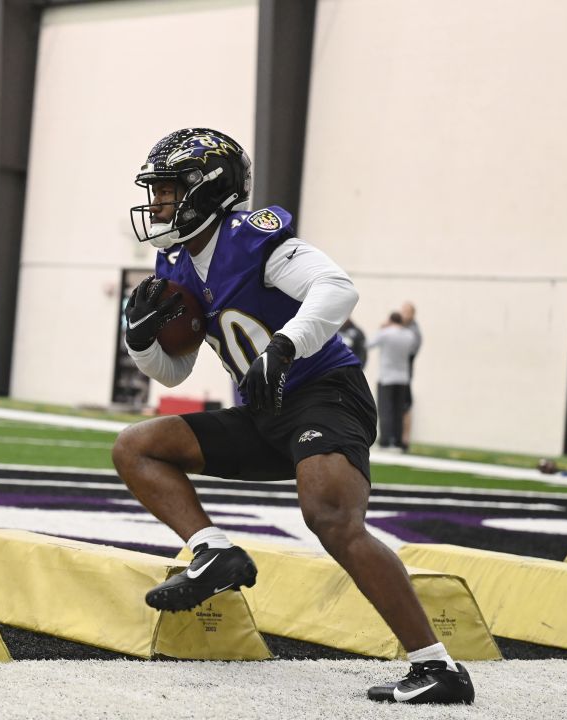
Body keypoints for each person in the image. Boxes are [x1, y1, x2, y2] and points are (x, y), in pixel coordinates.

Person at [111, 128, 473, 705]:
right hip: (264, 410)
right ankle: (213, 550)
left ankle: (439, 668)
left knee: (330, 516)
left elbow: (336, 289)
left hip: (324, 391)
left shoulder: (251, 239)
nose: (157, 203)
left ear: (208, 190)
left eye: (169, 190)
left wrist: (285, 344)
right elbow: (174, 373)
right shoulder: (175, 263)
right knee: (136, 446)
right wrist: (139, 341)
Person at [368, 311, 420, 451]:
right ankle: (397, 441)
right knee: (398, 411)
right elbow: (411, 351)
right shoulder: (409, 335)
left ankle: (385, 441)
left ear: (390, 320)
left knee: (385, 409)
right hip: (403, 377)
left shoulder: (386, 333)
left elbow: (369, 344)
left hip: (386, 377)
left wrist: (382, 329)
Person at [399, 301, 421, 450]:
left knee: (405, 407)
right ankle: (396, 437)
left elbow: (410, 351)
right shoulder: (402, 329)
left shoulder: (413, 331)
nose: (403, 314)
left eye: (406, 311)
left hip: (404, 374)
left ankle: (405, 440)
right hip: (398, 373)